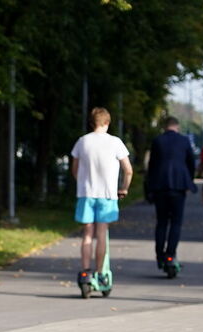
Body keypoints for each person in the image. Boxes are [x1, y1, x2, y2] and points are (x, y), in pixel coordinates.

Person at [70, 107, 132, 287]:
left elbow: (75, 168)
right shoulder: (115, 142)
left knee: (87, 233)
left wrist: (81, 181)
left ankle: (84, 272)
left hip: (86, 193)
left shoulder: (82, 142)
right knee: (102, 232)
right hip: (107, 194)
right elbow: (128, 170)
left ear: (92, 123)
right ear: (107, 122)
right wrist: (124, 188)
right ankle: (100, 273)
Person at [145, 116, 196, 273]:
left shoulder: (157, 141)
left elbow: (152, 165)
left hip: (160, 186)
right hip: (179, 187)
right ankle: (171, 255)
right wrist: (189, 180)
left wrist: (149, 188)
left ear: (164, 127)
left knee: (161, 222)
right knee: (176, 222)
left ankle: (160, 255)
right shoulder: (184, 141)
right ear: (177, 126)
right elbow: (191, 163)